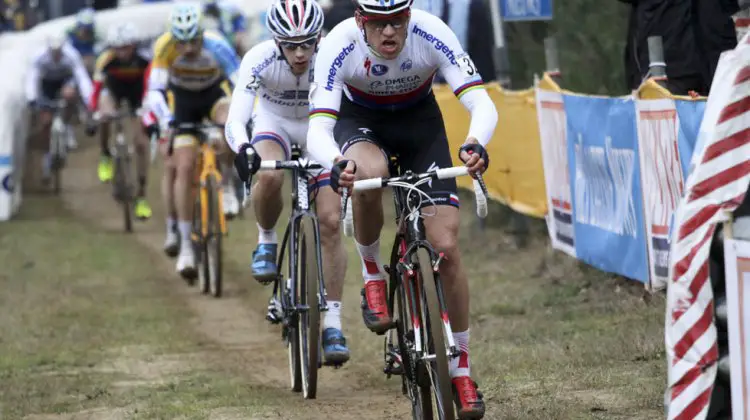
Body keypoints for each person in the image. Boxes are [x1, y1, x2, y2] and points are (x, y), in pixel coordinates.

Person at [306, 0, 496, 417]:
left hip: (419, 125)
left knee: (445, 246)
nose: (388, 33)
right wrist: (337, 163)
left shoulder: (432, 32)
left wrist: (476, 141)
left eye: (396, 23)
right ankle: (373, 273)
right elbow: (317, 128)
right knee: (368, 172)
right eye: (377, 24)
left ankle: (461, 369)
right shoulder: (339, 43)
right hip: (360, 123)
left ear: (409, 18)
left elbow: (481, 102)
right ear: (361, 21)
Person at [227, 0, 350, 365]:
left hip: (319, 129)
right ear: (276, 41)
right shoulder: (259, 58)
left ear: (318, 38)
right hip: (274, 123)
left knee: (330, 223)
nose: (300, 54)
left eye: (307, 44)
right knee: (268, 171)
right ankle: (266, 241)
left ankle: (333, 322)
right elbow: (237, 117)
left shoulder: (330, 53)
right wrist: (243, 147)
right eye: (291, 45)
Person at [146, 3, 240, 277]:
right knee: (184, 167)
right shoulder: (164, 47)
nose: (188, 48)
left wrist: (240, 118)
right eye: (182, 42)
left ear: (202, 34)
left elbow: (241, 83)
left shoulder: (218, 45)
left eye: (193, 41)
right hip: (183, 102)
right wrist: (166, 120)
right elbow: (155, 91)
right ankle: (186, 244)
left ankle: (228, 188)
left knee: (227, 125)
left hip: (213, 94)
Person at [86, 22, 154, 220]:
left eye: (125, 47)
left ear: (133, 45)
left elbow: (153, 85)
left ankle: (141, 195)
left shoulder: (145, 59)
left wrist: (148, 112)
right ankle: (106, 154)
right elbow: (96, 89)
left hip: (138, 95)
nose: (121, 52)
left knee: (141, 144)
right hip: (113, 92)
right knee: (105, 113)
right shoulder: (105, 60)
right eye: (117, 48)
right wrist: (93, 113)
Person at [26, 35, 93, 184]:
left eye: (59, 52)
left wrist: (90, 99)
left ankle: (67, 125)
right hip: (47, 85)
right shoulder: (39, 56)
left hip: (65, 82)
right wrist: (32, 98)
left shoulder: (71, 55)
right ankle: (46, 156)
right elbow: (32, 77)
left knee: (69, 94)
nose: (56, 55)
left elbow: (81, 77)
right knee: (45, 122)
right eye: (53, 52)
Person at [66, 7, 101, 74]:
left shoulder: (96, 38)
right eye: (82, 28)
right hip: (73, 71)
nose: (84, 32)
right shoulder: (70, 38)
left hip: (91, 71)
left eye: (88, 29)